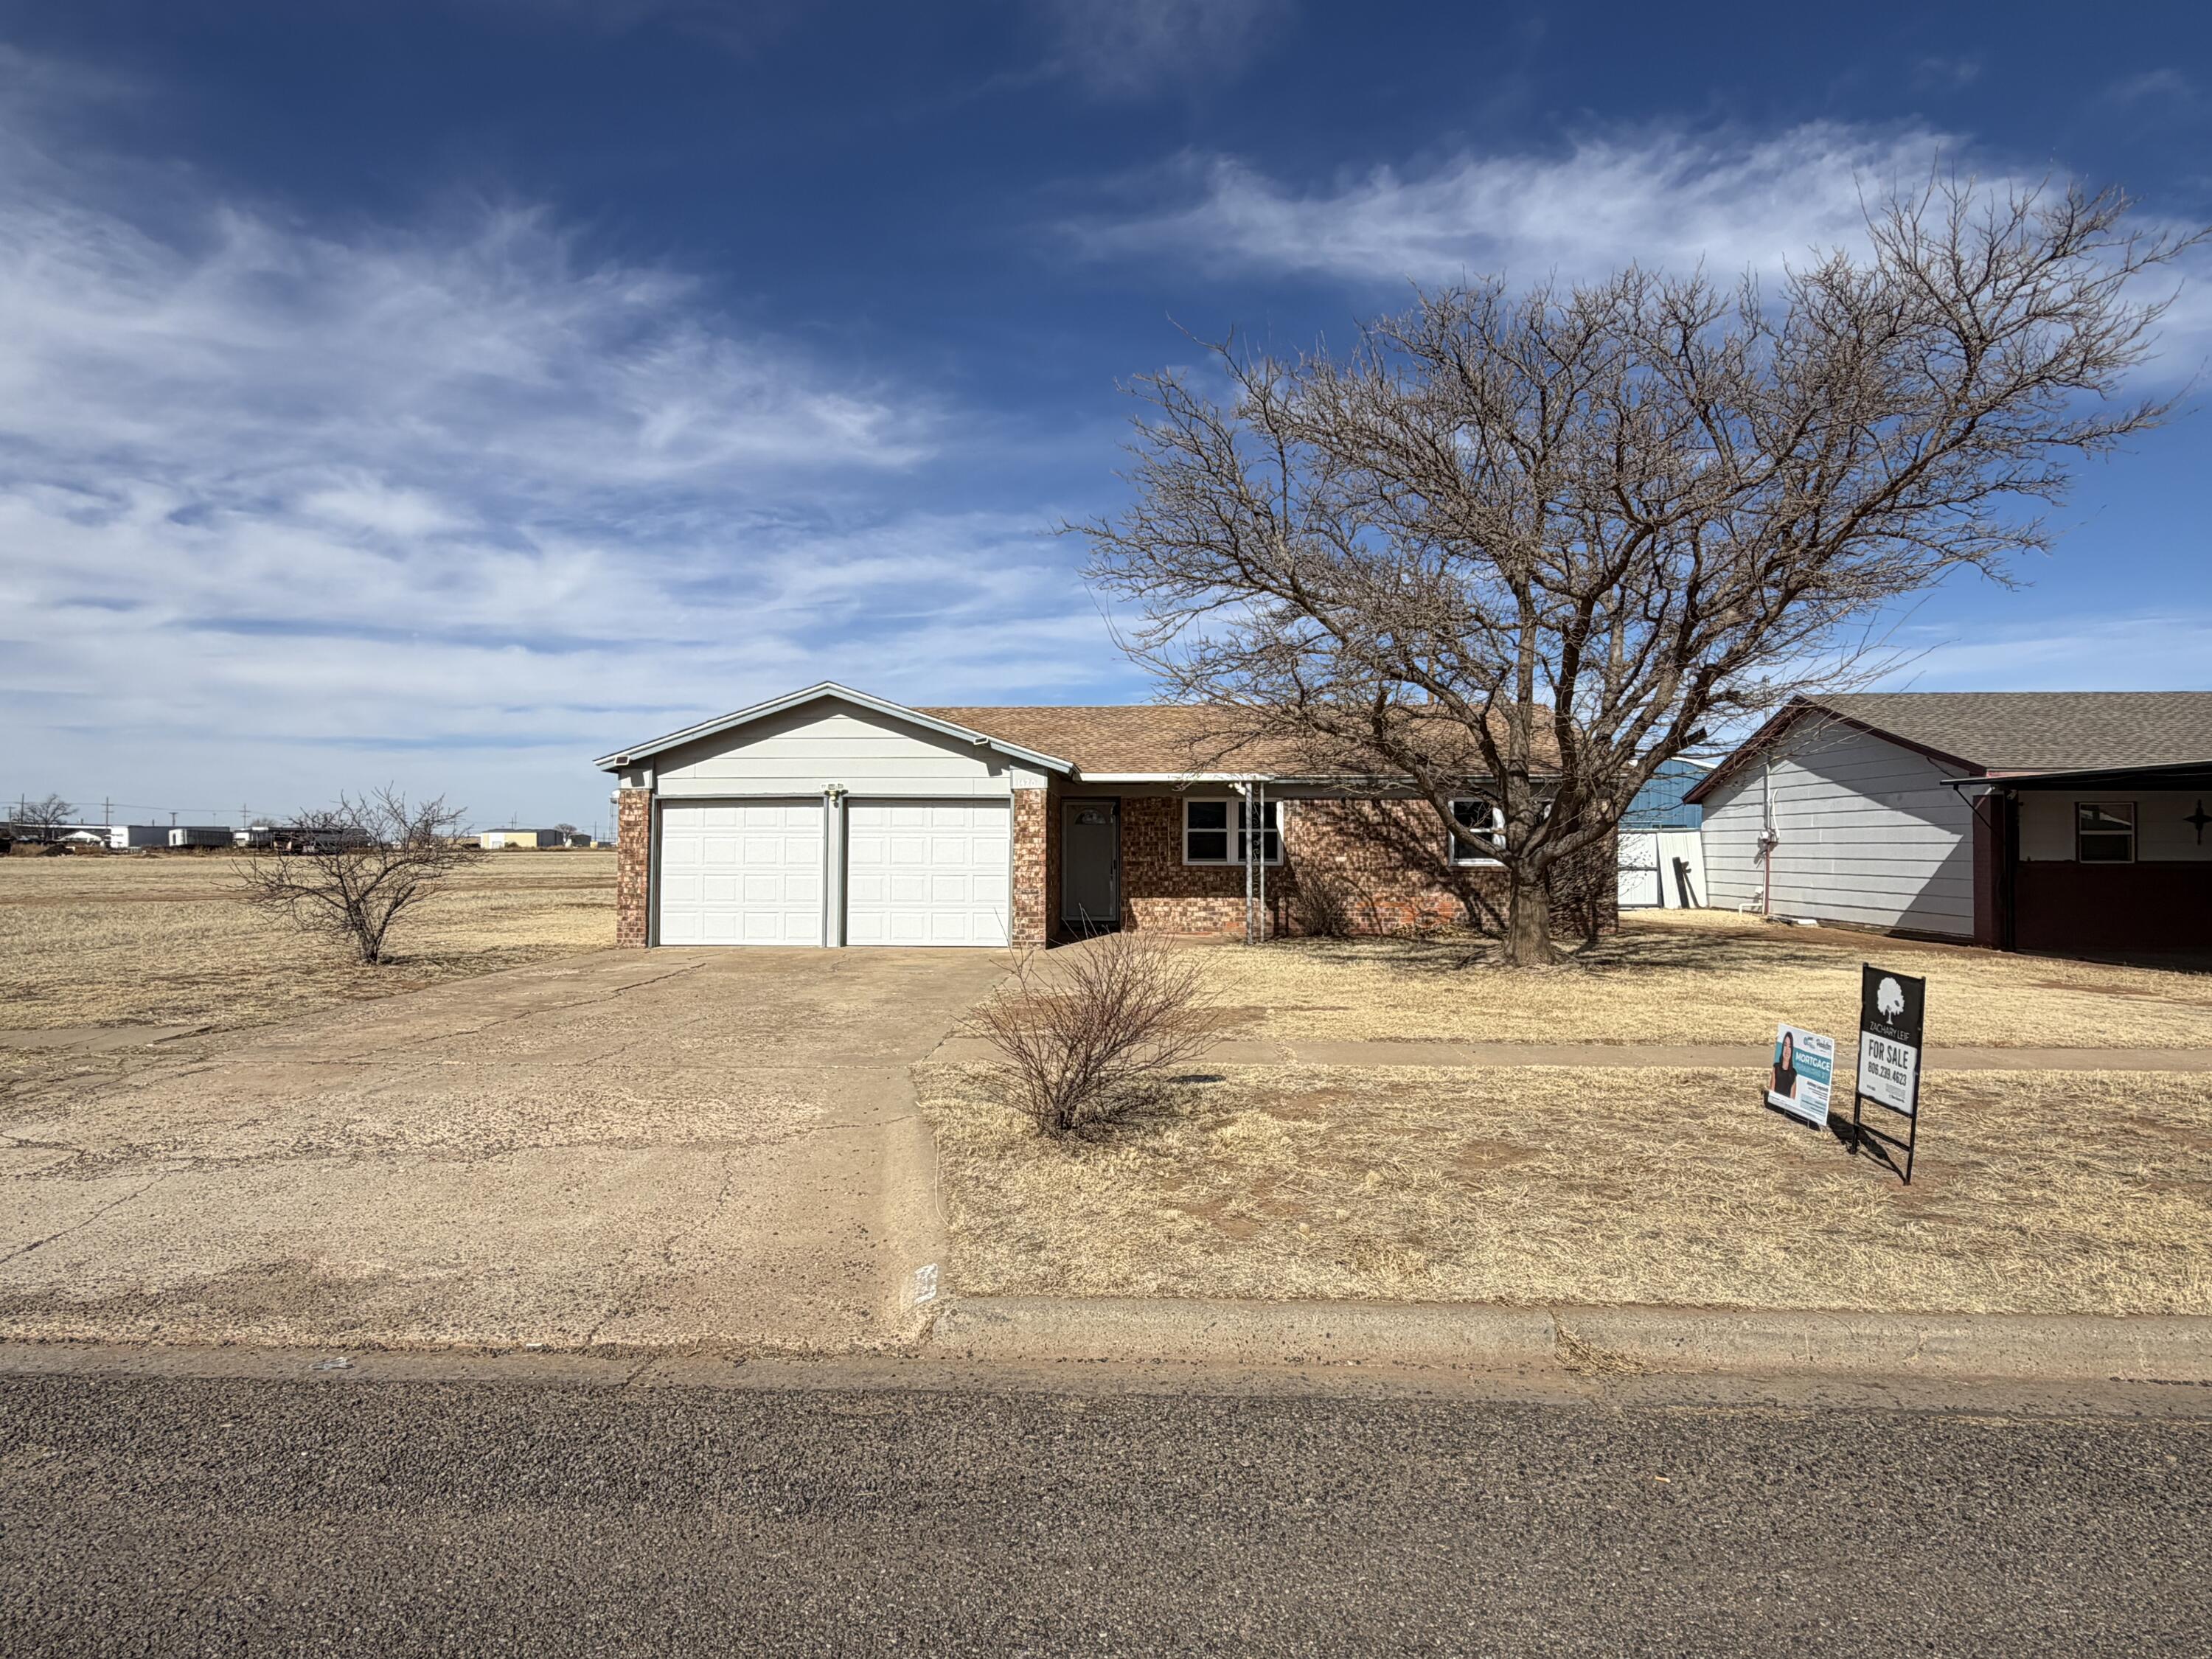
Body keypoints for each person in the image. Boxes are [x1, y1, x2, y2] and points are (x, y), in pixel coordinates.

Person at [1771, 1030, 1798, 1101]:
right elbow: (1772, 1091)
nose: (1787, 1050)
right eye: (1785, 1045)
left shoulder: (1793, 1073)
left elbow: (1792, 1099)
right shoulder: (1776, 1068)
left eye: (1790, 1047)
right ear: (1782, 1047)